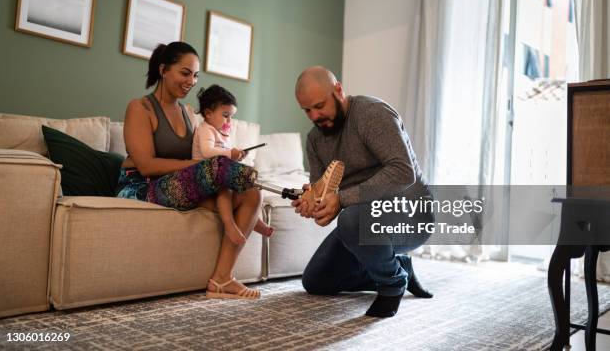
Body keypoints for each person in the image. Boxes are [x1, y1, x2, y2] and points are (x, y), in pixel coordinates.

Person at [116, 41, 262, 300]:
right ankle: (284, 191)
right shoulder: (140, 108)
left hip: (176, 184)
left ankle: (222, 280)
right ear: (163, 69)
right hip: (140, 186)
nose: (191, 81)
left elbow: (198, 157)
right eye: (185, 73)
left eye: (195, 75)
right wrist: (207, 167)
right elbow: (147, 165)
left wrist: (213, 161)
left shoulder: (187, 113)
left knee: (252, 195)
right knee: (224, 170)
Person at [292, 66, 434, 318]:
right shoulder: (314, 139)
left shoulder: (371, 114)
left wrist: (342, 199)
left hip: (412, 214)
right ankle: (399, 267)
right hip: (362, 218)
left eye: (319, 105)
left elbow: (403, 172)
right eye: (307, 110)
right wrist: (313, 203)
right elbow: (322, 191)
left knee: (352, 218)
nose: (315, 115)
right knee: (316, 281)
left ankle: (392, 284)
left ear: (339, 90)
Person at [192, 84, 274, 245]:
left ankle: (255, 221)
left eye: (231, 116)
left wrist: (237, 156)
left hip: (215, 174)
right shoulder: (206, 129)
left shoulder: (222, 133)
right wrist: (230, 153)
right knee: (226, 187)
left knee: (241, 187)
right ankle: (229, 224)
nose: (229, 120)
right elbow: (208, 151)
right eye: (225, 115)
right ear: (208, 114)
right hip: (199, 175)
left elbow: (223, 156)